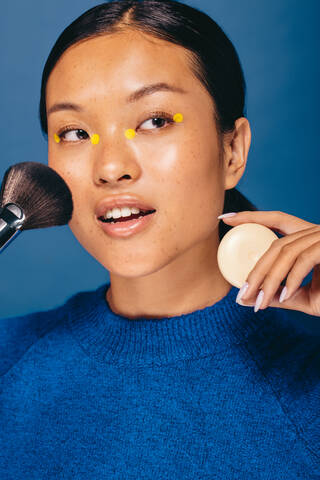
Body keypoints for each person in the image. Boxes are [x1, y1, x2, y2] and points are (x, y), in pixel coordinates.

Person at [1, 1, 319, 478]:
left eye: (155, 121)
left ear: (232, 150)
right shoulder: (11, 362)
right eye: (74, 131)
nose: (110, 168)